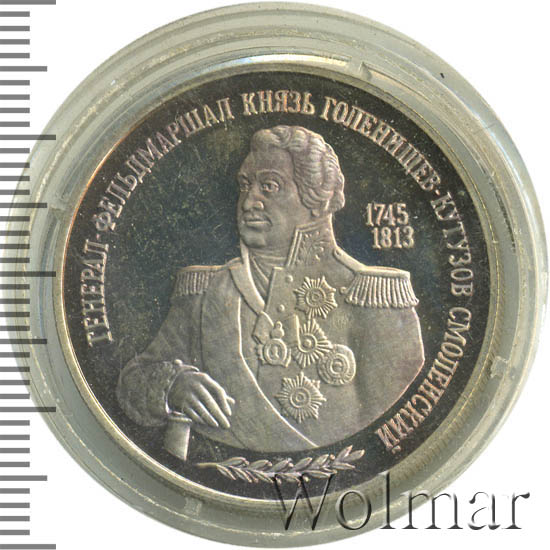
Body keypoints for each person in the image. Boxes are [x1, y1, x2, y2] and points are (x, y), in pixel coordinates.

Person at [117, 125, 425, 458]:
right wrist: (173, 386)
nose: (249, 202)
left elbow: (395, 429)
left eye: (270, 186)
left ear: (317, 198)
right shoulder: (205, 292)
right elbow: (133, 380)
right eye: (245, 186)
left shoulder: (371, 298)